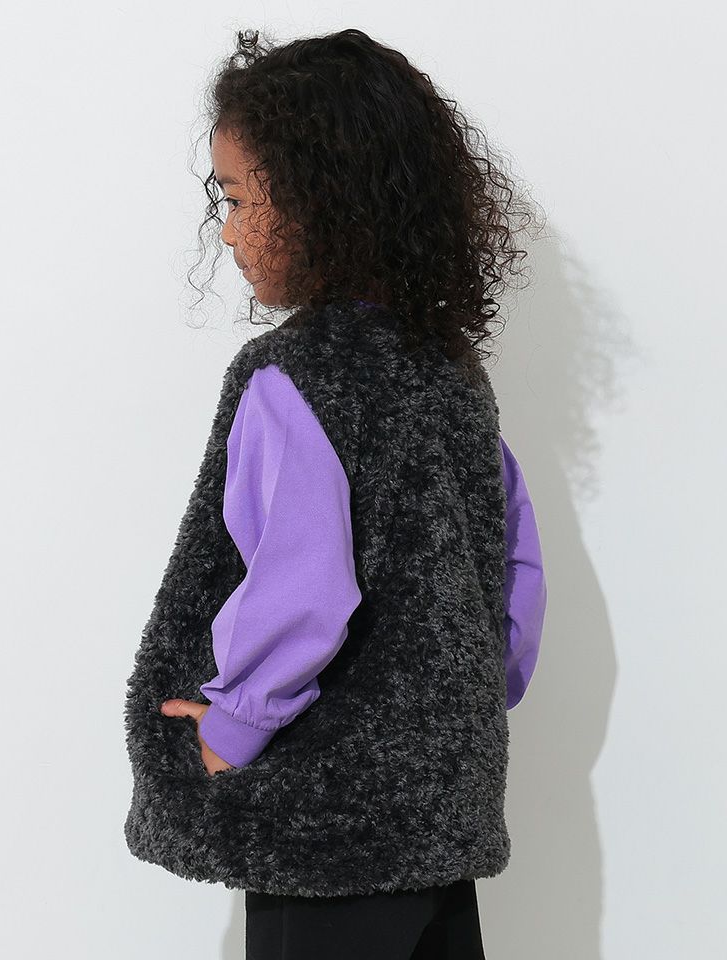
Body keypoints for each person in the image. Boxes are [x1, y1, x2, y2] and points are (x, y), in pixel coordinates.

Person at [123, 27, 547, 960]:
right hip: (438, 819)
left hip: (326, 834)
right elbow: (509, 570)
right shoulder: (452, 374)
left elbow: (302, 585)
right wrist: (463, 704)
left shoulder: (293, 376)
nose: (226, 230)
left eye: (238, 198)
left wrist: (231, 731)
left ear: (319, 200)